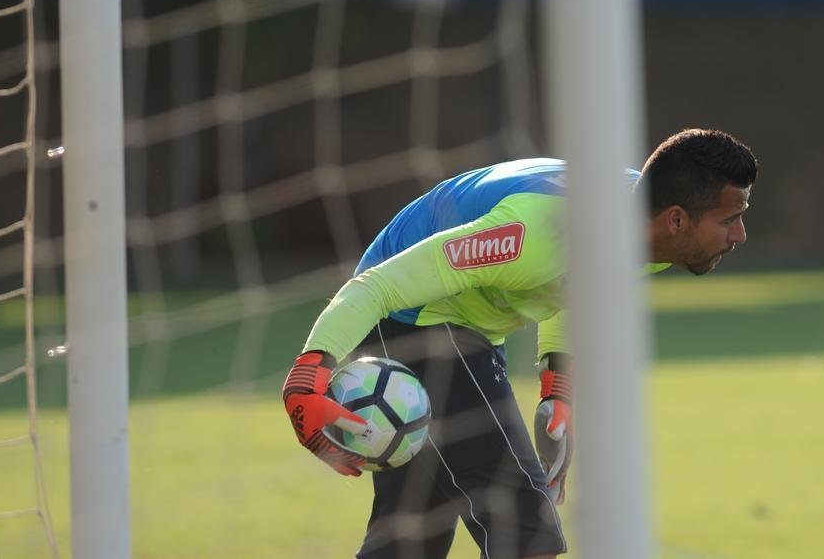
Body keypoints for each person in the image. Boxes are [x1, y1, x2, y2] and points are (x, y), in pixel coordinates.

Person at [282, 128, 759, 559]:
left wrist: (557, 389)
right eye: (730, 219)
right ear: (677, 220)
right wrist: (305, 384)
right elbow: (376, 287)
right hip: (413, 314)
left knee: (411, 538)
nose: (739, 234)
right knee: (527, 531)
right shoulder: (530, 234)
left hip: (467, 326)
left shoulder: (644, 225)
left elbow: (576, 285)